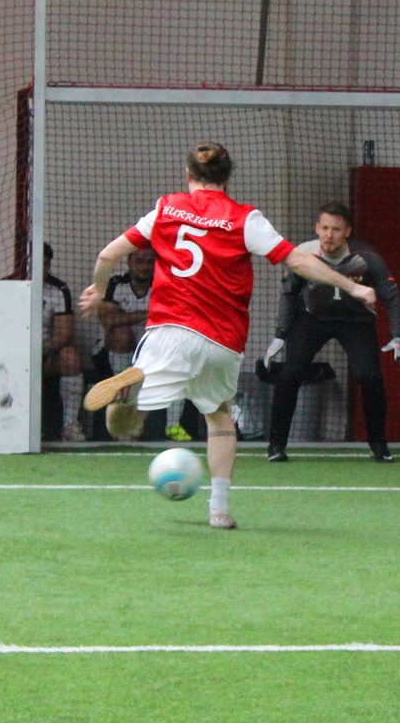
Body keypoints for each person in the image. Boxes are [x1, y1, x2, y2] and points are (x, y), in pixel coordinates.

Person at [79, 142, 376, 529]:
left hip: (170, 329)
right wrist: (352, 287)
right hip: (221, 341)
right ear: (227, 178)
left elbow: (108, 255)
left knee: (121, 425)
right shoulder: (245, 219)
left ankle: (136, 387)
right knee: (219, 418)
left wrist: (99, 290)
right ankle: (219, 510)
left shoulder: (166, 208)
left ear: (189, 176)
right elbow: (298, 260)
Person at [263, 202, 400, 462]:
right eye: (325, 228)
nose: (329, 235)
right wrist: (281, 333)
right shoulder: (304, 254)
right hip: (312, 319)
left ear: (347, 232)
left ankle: (378, 445)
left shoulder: (367, 258)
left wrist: (398, 336)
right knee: (290, 373)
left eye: (336, 229)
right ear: (317, 228)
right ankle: (276, 446)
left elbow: (392, 296)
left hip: (356, 321)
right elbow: (289, 293)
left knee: (370, 376)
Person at [95, 245, 202, 443]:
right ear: (129, 262)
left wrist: (127, 316)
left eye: (149, 261)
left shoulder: (165, 284)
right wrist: (148, 314)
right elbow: (109, 321)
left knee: (179, 348)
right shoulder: (116, 284)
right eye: (139, 261)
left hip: (154, 348)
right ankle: (128, 410)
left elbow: (176, 319)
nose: (144, 267)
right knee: (120, 334)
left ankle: (173, 426)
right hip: (118, 353)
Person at [41, 243, 86, 443]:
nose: (41, 268)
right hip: (11, 354)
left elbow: (64, 334)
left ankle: (70, 425)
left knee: (70, 357)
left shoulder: (59, 290)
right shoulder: (9, 285)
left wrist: (41, 350)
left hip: (43, 355)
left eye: (45, 264)